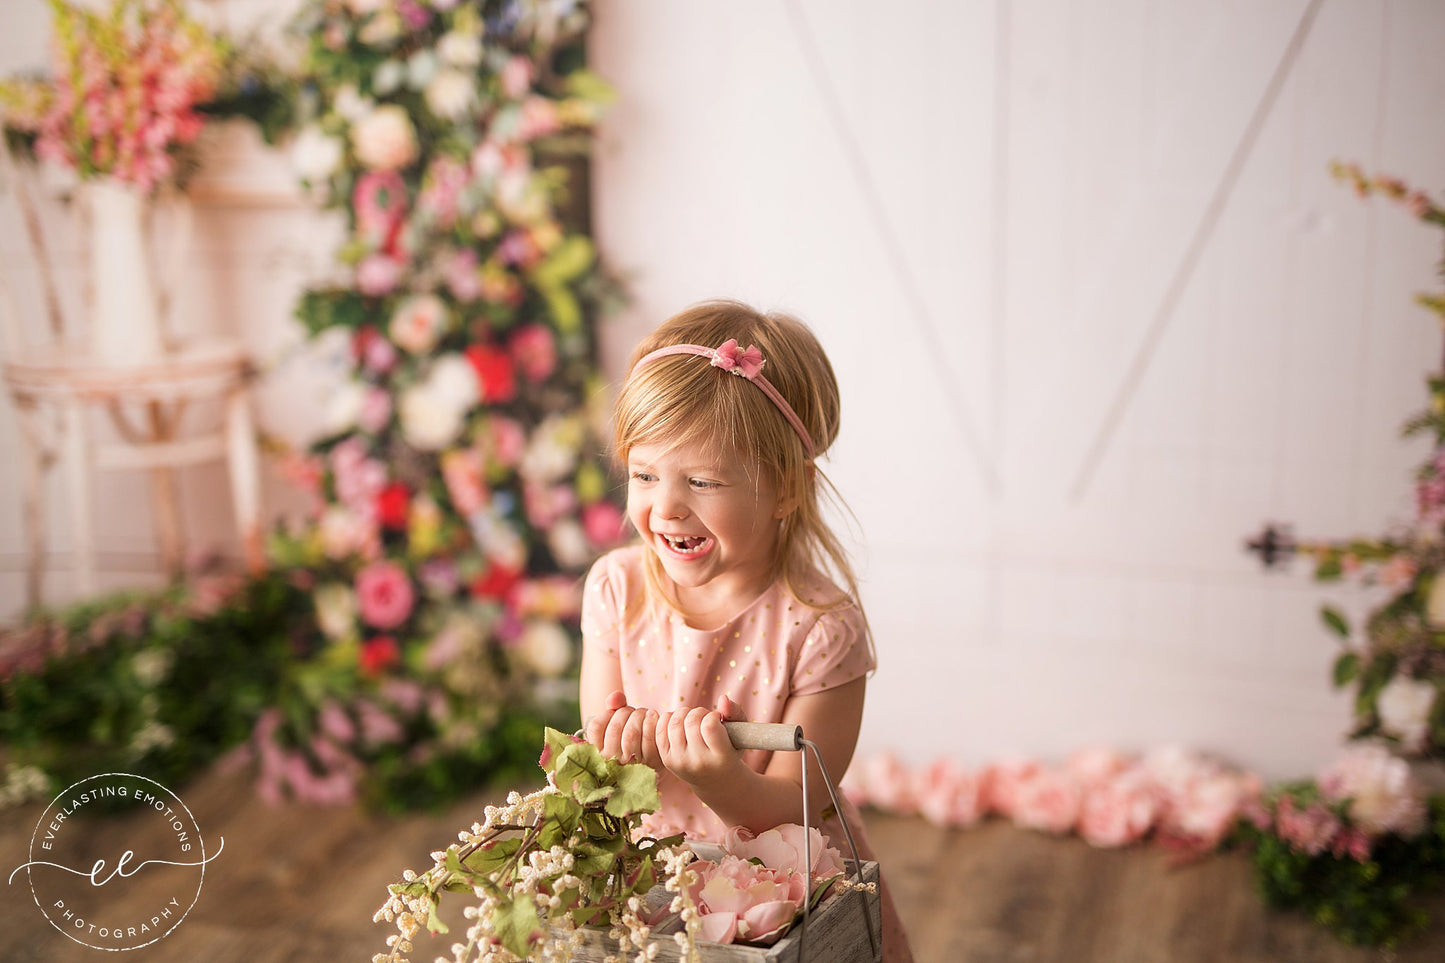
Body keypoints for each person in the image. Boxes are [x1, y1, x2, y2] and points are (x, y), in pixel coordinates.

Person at [580, 299, 914, 962]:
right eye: (643, 474)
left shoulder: (820, 627)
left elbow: (793, 805)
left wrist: (720, 778)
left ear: (785, 488)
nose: (665, 505)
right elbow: (598, 746)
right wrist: (615, 752)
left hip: (780, 891)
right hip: (653, 877)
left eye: (701, 480)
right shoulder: (618, 589)